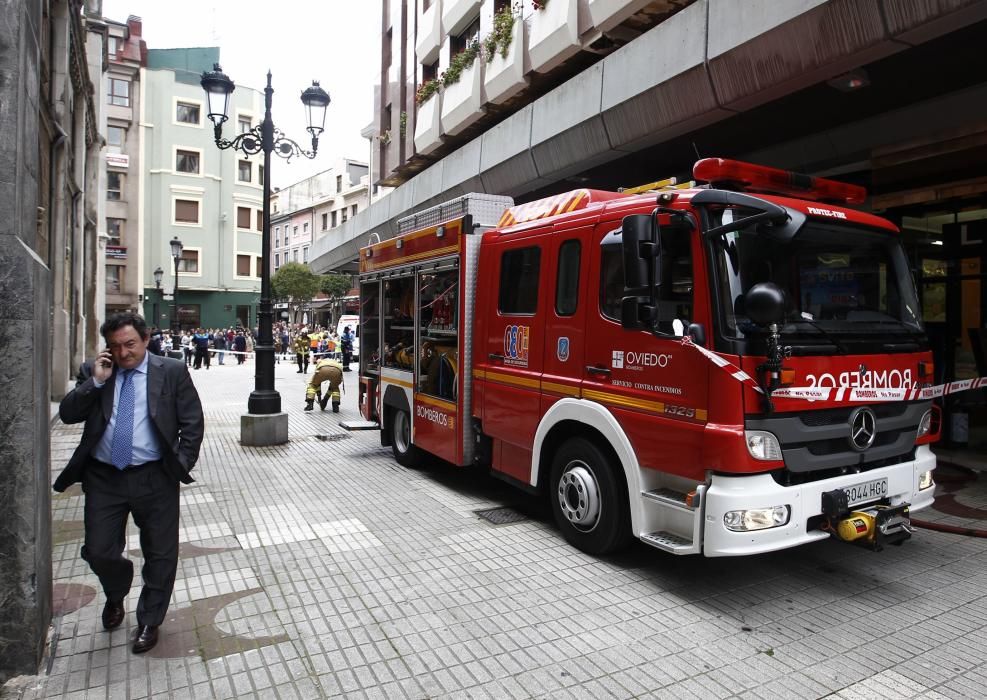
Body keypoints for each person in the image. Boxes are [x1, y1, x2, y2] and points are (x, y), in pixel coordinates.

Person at [53, 312, 204, 655]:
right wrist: (97, 382)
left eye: (130, 344)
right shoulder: (97, 370)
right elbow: (68, 414)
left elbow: (192, 422)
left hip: (155, 475)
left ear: (146, 339)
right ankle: (116, 590)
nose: (123, 354)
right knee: (99, 550)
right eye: (116, 347)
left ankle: (150, 620)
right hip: (105, 477)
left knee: (161, 552)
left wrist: (179, 466)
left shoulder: (172, 371)